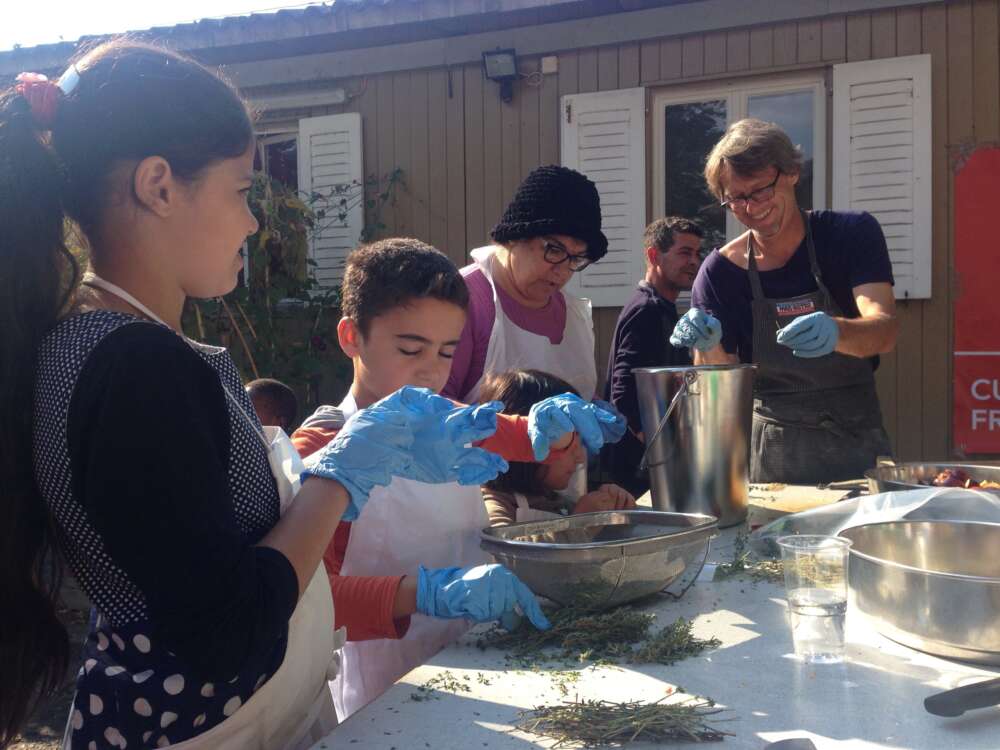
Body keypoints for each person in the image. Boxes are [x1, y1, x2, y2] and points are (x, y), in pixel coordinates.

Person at [0, 42, 502, 750]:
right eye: (241, 191)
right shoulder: (135, 370)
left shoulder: (93, 343)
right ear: (159, 185)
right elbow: (227, 630)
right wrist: (338, 476)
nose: (252, 223)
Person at [289, 238, 626, 719]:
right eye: (410, 348)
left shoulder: (452, 423)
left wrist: (553, 427)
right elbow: (310, 605)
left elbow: (518, 435)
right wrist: (427, 593)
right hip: (387, 698)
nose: (430, 372)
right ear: (351, 338)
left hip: (477, 668)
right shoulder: (321, 452)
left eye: (448, 352)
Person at [672, 118, 897, 485]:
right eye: (736, 199)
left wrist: (837, 331)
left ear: (791, 173)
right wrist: (706, 347)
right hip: (774, 454)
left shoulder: (850, 234)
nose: (751, 208)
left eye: (760, 190)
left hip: (858, 441)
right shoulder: (719, 273)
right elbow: (719, 387)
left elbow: (884, 330)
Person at [443, 165, 607, 403]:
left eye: (576, 258)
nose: (562, 270)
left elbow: (584, 393)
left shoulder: (573, 314)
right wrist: (511, 429)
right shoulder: (461, 300)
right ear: (514, 237)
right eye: (554, 249)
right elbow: (429, 407)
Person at [602, 218, 704, 495]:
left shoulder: (663, 308)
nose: (694, 261)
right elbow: (622, 393)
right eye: (685, 252)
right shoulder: (646, 310)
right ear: (653, 255)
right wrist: (658, 448)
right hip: (637, 470)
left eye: (697, 254)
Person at [480, 370, 637, 526]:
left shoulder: (558, 502)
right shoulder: (493, 505)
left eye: (580, 443)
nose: (580, 457)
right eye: (568, 444)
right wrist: (579, 523)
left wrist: (616, 512)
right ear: (532, 439)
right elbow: (502, 547)